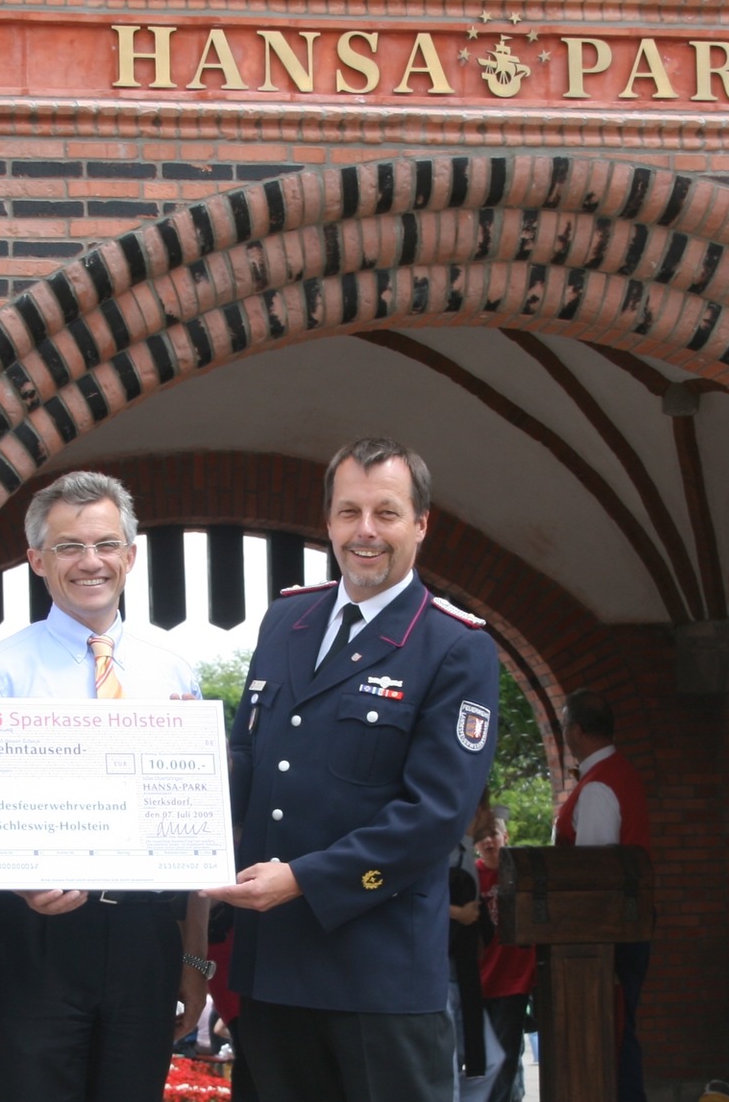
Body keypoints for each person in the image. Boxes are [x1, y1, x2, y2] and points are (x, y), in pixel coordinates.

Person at [205, 436, 499, 1102]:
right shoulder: (286, 621)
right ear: (328, 521)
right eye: (348, 512)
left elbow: (435, 815)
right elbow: (247, 761)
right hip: (274, 965)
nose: (365, 532)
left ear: (421, 525)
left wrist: (302, 879)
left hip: (380, 975)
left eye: (387, 513)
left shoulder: (456, 646)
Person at [0, 470, 209, 1102]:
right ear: (38, 559)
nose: (89, 562)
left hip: (146, 935)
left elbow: (199, 835)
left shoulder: (175, 674)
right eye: (69, 547)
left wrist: (195, 957)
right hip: (32, 935)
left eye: (105, 544)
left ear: (130, 554)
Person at [554, 688, 652, 1102]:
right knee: (617, 1030)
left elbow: (591, 876)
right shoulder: (617, 773)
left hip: (604, 936)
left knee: (609, 1034)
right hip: (625, 926)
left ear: (575, 730)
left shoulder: (598, 787)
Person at [476, 817, 537, 1102]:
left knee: (505, 1052)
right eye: (481, 837)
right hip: (478, 979)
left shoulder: (522, 874)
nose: (488, 841)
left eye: (493, 835)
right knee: (493, 1054)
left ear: (506, 837)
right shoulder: (468, 875)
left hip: (514, 977)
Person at [448, 803, 505, 1102]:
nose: (493, 818)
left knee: (489, 1061)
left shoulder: (464, 850)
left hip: (464, 974)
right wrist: (456, 913)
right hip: (443, 972)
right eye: (488, 811)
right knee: (449, 1068)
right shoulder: (446, 848)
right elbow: (411, 894)